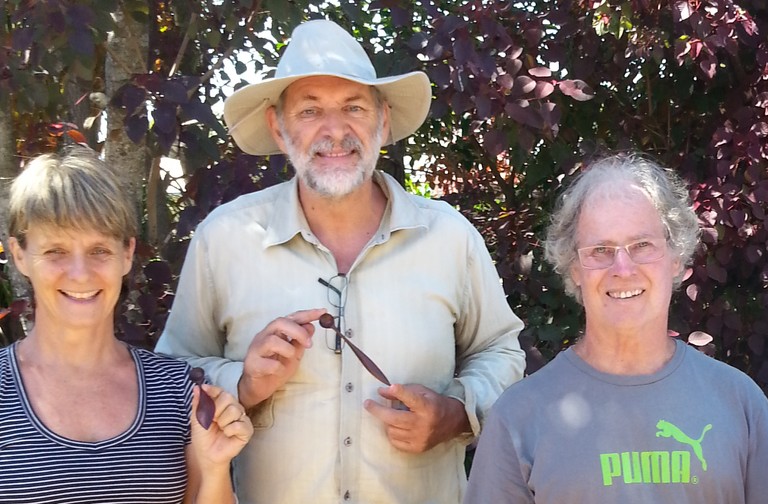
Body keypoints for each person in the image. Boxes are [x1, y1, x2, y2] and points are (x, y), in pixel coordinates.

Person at [154, 19, 525, 504]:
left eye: (354, 107)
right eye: (310, 111)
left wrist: (456, 412)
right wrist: (242, 384)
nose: (334, 131)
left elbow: (501, 352)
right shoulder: (224, 240)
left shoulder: (448, 237)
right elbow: (171, 377)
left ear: (383, 121)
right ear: (279, 128)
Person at [463, 154, 768, 504]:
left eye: (642, 245)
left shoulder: (738, 402)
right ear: (574, 267)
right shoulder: (518, 417)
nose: (622, 268)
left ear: (676, 257)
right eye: (601, 250)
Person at [0, 147, 253, 503]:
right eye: (55, 251)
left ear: (127, 253)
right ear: (20, 254)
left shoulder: (178, 391)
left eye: (99, 250)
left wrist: (213, 469)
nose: (80, 273)